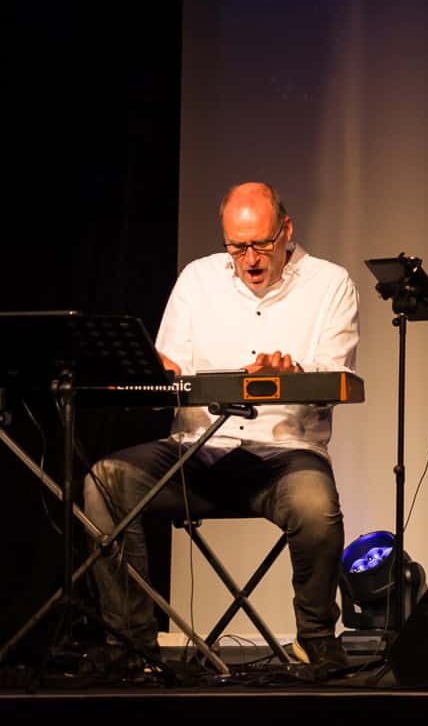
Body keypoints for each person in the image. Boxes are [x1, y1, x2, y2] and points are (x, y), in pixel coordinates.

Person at [82, 182, 359, 672]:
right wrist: (156, 370)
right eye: (237, 246)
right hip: (197, 453)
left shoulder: (330, 283)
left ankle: (316, 639)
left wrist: (292, 376)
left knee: (316, 508)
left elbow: (334, 378)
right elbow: (172, 370)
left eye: (261, 245)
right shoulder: (198, 279)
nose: (249, 259)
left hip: (283, 458)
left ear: (286, 230)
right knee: (105, 482)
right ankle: (132, 646)